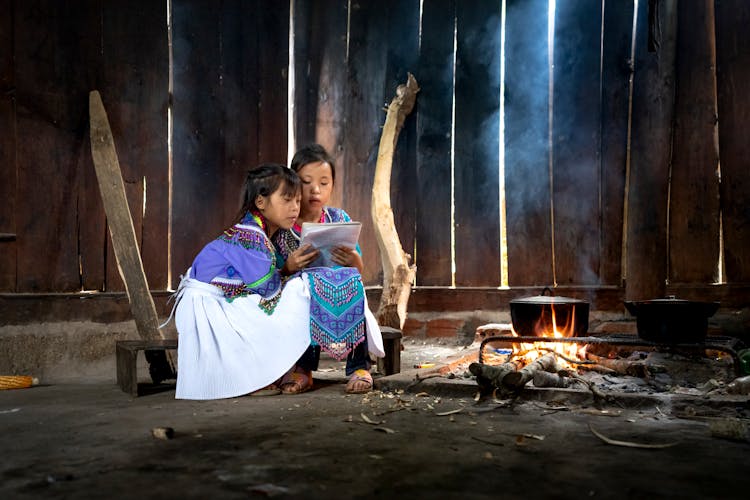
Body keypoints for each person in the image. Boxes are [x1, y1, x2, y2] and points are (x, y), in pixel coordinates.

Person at [171, 163, 313, 400]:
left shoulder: (254, 231)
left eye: (298, 201)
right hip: (207, 309)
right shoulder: (250, 237)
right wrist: (289, 269)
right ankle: (253, 378)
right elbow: (268, 290)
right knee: (301, 289)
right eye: (287, 200)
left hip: (211, 303)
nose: (295, 208)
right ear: (260, 202)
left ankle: (262, 374)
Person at [274, 144, 384, 395]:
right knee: (304, 296)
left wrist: (352, 257)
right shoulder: (284, 223)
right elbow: (274, 273)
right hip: (299, 296)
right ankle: (303, 369)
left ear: (332, 184)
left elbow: (358, 269)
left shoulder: (339, 218)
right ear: (292, 182)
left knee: (351, 282)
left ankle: (359, 366)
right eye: (306, 181)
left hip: (340, 291)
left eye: (324, 182)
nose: (315, 189)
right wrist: (289, 266)